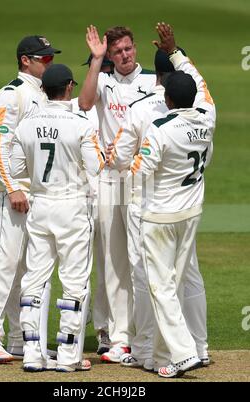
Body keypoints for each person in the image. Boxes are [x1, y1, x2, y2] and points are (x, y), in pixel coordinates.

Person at [107, 23, 212, 370]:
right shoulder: (206, 115)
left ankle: (156, 352)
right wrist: (177, 50)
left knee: (152, 282)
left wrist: (113, 162)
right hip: (191, 210)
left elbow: (128, 164)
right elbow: (200, 82)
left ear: (162, 87)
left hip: (154, 211)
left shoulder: (145, 114)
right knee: (186, 277)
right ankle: (199, 345)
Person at [10, 64, 105, 372]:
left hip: (40, 207)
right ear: (68, 88)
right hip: (73, 208)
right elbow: (95, 167)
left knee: (34, 280)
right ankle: (67, 356)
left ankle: (32, 354)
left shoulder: (26, 124)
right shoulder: (80, 123)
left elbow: (15, 169)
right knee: (74, 283)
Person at [0, 35, 61, 362]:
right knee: (7, 262)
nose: (48, 63)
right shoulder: (11, 95)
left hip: (34, 193)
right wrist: (12, 187)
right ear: (26, 60)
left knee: (28, 268)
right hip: (11, 193)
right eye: (45, 59)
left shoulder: (41, 94)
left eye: (51, 59)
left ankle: (19, 339)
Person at [78, 25, 156, 362]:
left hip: (140, 178)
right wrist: (96, 61)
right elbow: (83, 103)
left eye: (128, 49)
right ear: (110, 56)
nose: (125, 55)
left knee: (142, 257)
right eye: (117, 52)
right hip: (109, 179)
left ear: (134, 48)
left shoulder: (153, 82)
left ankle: (146, 335)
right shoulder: (105, 81)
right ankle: (118, 336)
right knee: (112, 259)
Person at [72, 54, 114, 355]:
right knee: (79, 268)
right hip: (80, 196)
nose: (104, 77)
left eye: (107, 69)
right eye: (98, 70)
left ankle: (105, 331)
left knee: (108, 265)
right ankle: (77, 326)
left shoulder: (122, 106)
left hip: (114, 193)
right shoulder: (77, 106)